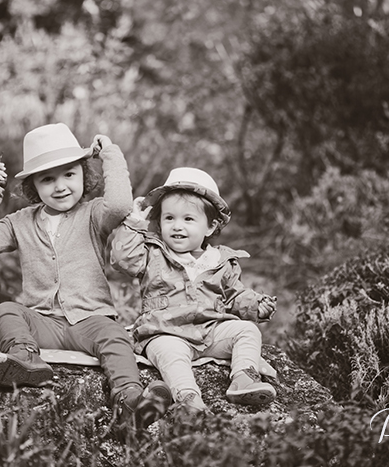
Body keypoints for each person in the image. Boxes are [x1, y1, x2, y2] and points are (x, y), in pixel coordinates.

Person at [0, 122, 172, 433]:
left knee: (115, 338)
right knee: (5, 310)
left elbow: (119, 204)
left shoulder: (92, 214)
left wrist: (111, 156)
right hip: (43, 322)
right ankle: (24, 357)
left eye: (70, 175)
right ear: (33, 186)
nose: (60, 186)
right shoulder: (20, 222)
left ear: (84, 175)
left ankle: (129, 398)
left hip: (90, 319)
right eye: (48, 179)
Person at [110, 167, 277, 413]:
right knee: (171, 355)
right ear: (158, 222)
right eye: (169, 218)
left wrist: (256, 306)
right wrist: (134, 223)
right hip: (164, 331)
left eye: (188, 219)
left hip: (211, 332)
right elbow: (122, 259)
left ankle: (243, 378)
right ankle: (189, 399)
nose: (177, 226)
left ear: (210, 227)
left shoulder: (221, 260)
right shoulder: (152, 253)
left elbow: (234, 295)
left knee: (246, 330)